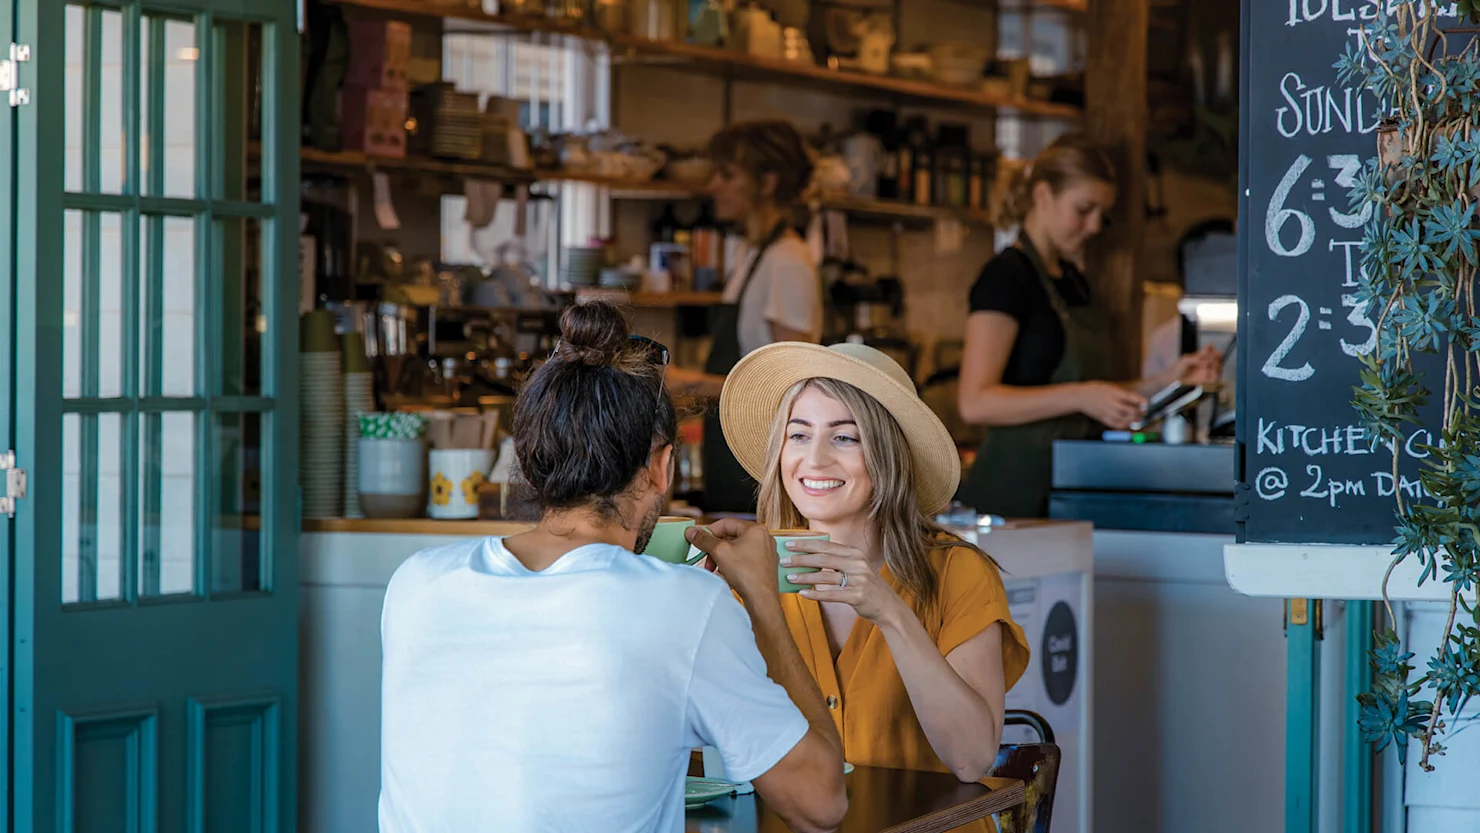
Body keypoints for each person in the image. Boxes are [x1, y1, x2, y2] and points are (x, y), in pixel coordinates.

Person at [378, 302, 847, 833]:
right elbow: (821, 802)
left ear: (529, 459)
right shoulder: (684, 604)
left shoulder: (416, 583)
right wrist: (761, 595)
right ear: (662, 465)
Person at [704, 340, 1030, 831]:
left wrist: (890, 611)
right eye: (798, 435)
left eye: (844, 438)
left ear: (887, 455)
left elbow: (971, 759)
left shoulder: (957, 573)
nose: (813, 460)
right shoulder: (743, 573)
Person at [957, 135, 1220, 518]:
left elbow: (1095, 394)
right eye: (1084, 209)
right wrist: (1081, 396)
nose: (1095, 226)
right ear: (1043, 195)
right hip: (1015, 496)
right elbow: (975, 402)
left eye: (1102, 213)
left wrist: (1168, 380)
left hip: (1074, 487)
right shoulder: (1006, 277)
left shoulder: (1072, 280)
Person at [665, 118, 823, 513]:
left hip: (762, 467)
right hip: (732, 458)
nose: (713, 185)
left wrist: (692, 382)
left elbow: (795, 385)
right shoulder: (753, 255)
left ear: (767, 182)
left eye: (728, 174)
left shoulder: (788, 262)